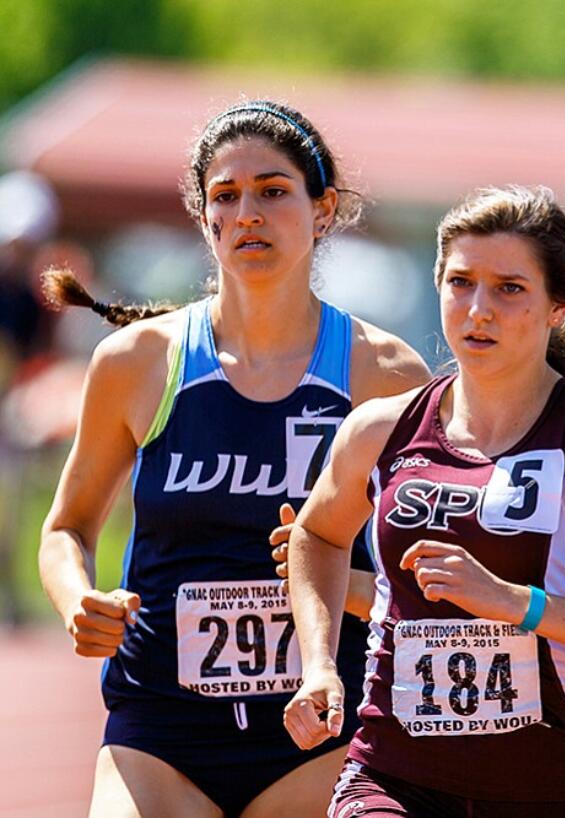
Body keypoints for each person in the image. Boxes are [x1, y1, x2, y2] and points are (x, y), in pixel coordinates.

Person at [38, 101, 429, 818]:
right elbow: (67, 528)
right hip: (160, 731)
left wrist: (346, 585)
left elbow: (426, 575)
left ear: (323, 210)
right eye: (226, 196)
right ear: (205, 219)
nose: (248, 212)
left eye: (274, 191)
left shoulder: (385, 374)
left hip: (322, 731)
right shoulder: (138, 364)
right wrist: (78, 603)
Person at [282, 185, 565, 817]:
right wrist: (319, 663)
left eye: (509, 288)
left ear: (557, 307)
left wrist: (517, 605)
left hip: (552, 785)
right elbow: (315, 536)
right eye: (461, 283)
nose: (479, 309)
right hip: (395, 774)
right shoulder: (381, 428)